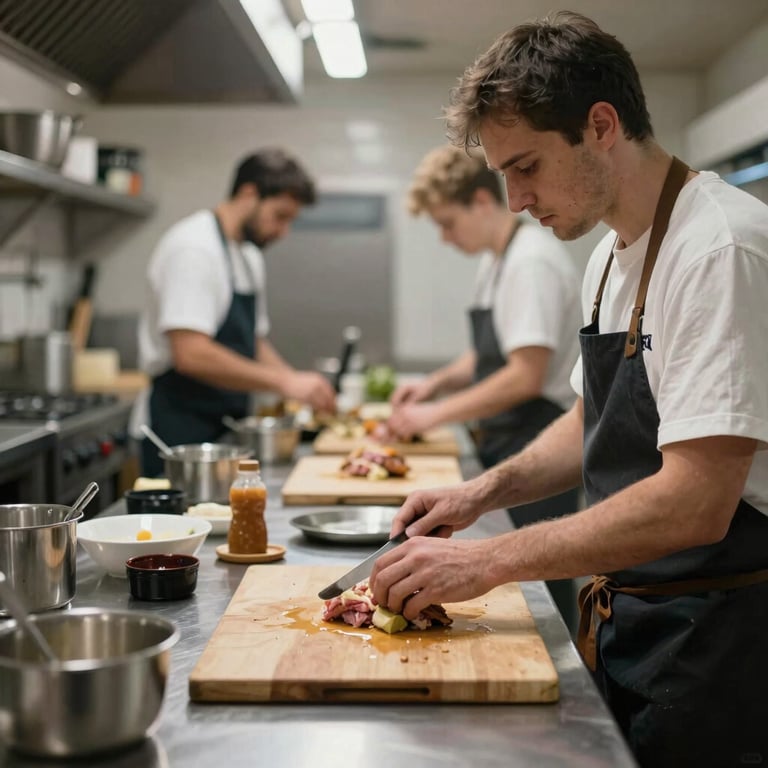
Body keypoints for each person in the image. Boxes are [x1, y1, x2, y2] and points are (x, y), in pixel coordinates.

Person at [369, 11, 768, 768]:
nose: (516, 200)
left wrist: (488, 562)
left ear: (602, 125)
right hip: (638, 625)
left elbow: (695, 499)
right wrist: (479, 494)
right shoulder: (611, 256)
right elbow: (592, 416)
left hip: (719, 645)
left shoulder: (718, 247)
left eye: (527, 166)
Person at [387, 144, 582, 631]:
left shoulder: (530, 263)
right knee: (514, 590)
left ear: (479, 202)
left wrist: (433, 415)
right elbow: (489, 353)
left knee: (538, 599)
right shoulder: (499, 261)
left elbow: (525, 373)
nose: (446, 238)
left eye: (447, 223)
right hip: (509, 441)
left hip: (541, 444)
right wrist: (433, 385)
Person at [133, 148, 336, 476]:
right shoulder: (194, 249)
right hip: (179, 432)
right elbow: (191, 353)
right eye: (280, 216)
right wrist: (284, 382)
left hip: (224, 427)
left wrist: (298, 387)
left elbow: (252, 341)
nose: (283, 231)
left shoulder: (247, 256)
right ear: (248, 193)